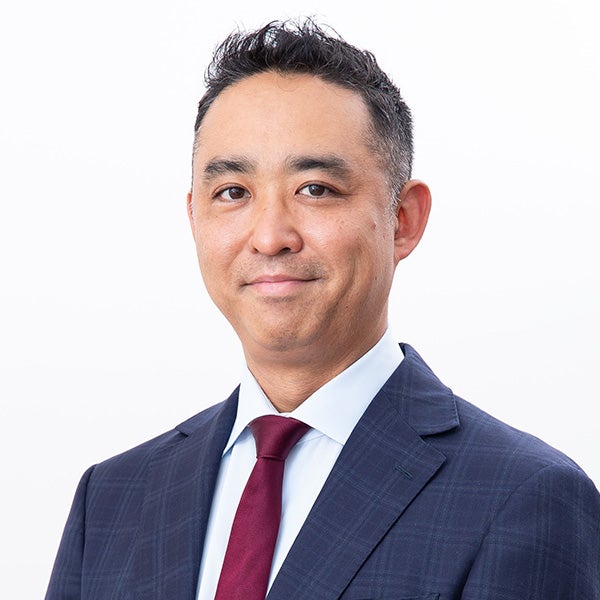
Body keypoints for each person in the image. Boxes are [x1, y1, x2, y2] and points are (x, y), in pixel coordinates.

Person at [46, 20, 600, 600]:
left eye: (315, 189)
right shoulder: (111, 498)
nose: (270, 236)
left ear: (403, 220)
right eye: (233, 193)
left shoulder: (522, 497)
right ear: (194, 219)